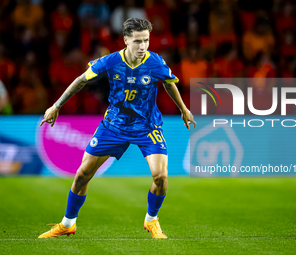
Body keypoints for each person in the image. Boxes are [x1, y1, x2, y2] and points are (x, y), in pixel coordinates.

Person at [38, 18, 196, 239]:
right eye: (138, 41)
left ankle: (151, 220)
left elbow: (169, 83)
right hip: (114, 126)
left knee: (161, 177)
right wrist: (56, 106)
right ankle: (67, 223)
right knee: (82, 174)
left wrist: (183, 109)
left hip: (146, 126)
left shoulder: (156, 62)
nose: (143, 46)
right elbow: (81, 80)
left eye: (146, 41)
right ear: (125, 40)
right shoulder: (111, 61)